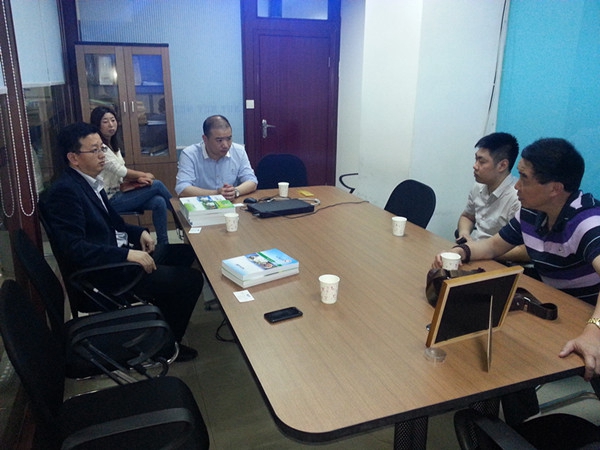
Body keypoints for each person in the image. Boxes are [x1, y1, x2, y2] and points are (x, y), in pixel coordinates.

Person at [434, 138, 600, 377]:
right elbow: (493, 246)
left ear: (555, 189)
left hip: (589, 316)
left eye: (524, 178)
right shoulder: (531, 212)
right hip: (559, 309)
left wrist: (594, 332)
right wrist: (460, 252)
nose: (516, 186)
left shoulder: (587, 221)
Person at [41, 122, 204, 362]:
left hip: (116, 256)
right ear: (73, 158)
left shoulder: (89, 181)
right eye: (94, 150)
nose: (102, 155)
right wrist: (127, 255)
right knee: (191, 280)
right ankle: (164, 347)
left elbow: (113, 223)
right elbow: (74, 249)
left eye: (102, 148)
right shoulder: (65, 192)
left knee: (183, 253)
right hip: (105, 275)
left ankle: (161, 318)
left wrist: (138, 233)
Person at [90, 106, 174, 245]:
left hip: (120, 193)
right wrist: (143, 174)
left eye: (113, 120)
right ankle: (180, 215)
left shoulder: (113, 145)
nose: (111, 125)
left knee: (159, 201)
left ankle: (163, 244)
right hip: (109, 201)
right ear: (97, 125)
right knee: (157, 185)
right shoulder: (101, 149)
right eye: (105, 121)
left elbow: (120, 174)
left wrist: (138, 178)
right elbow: (121, 171)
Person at [175, 115, 258, 200]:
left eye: (229, 139)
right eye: (219, 140)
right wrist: (217, 193)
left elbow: (252, 181)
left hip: (231, 205)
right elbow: (182, 188)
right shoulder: (190, 154)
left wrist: (235, 191)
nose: (225, 145)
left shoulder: (238, 151)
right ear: (205, 139)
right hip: (201, 205)